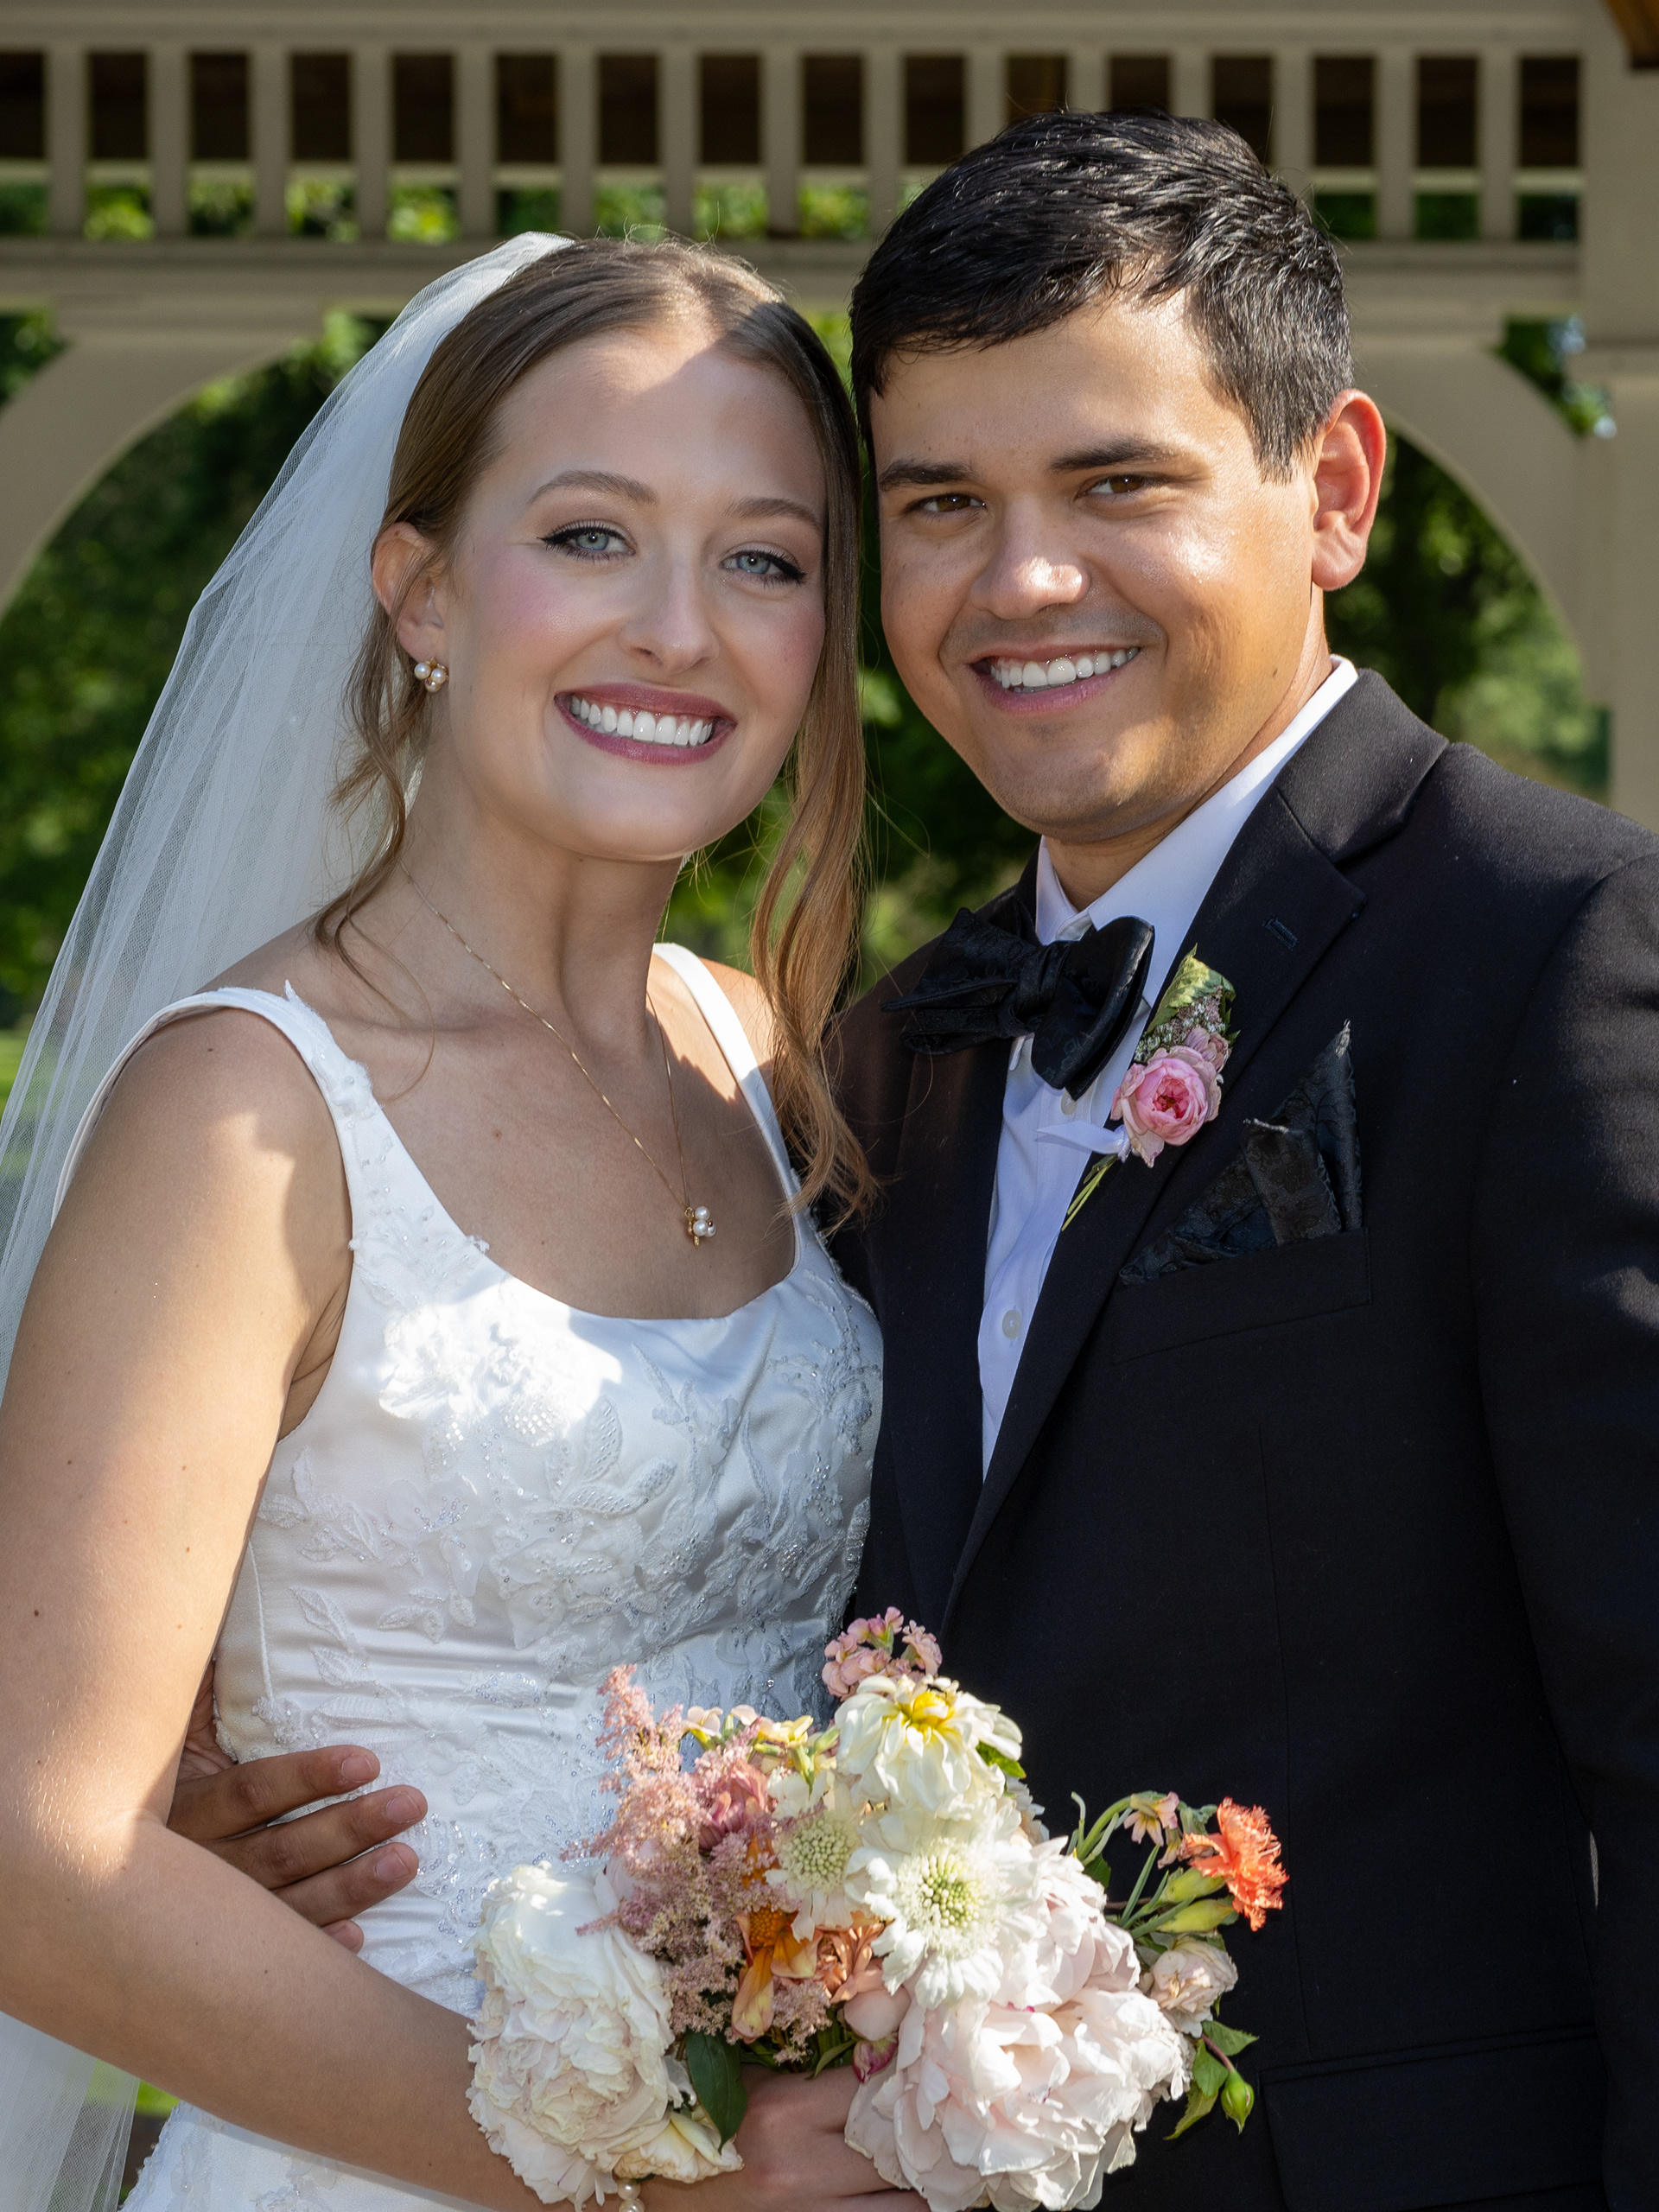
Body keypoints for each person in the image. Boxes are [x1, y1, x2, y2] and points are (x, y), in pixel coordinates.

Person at [0, 236, 900, 2212]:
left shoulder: (771, 1058)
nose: (680, 629)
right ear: (418, 590)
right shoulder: (248, 1109)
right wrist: (653, 2183)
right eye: (590, 536)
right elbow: (41, 1859)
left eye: (764, 560)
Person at [833, 112, 1650, 2210]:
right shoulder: (892, 1048)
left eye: (1119, 483)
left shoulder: (1559, 948)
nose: (1021, 581)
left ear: (1336, 489)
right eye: (942, 504)